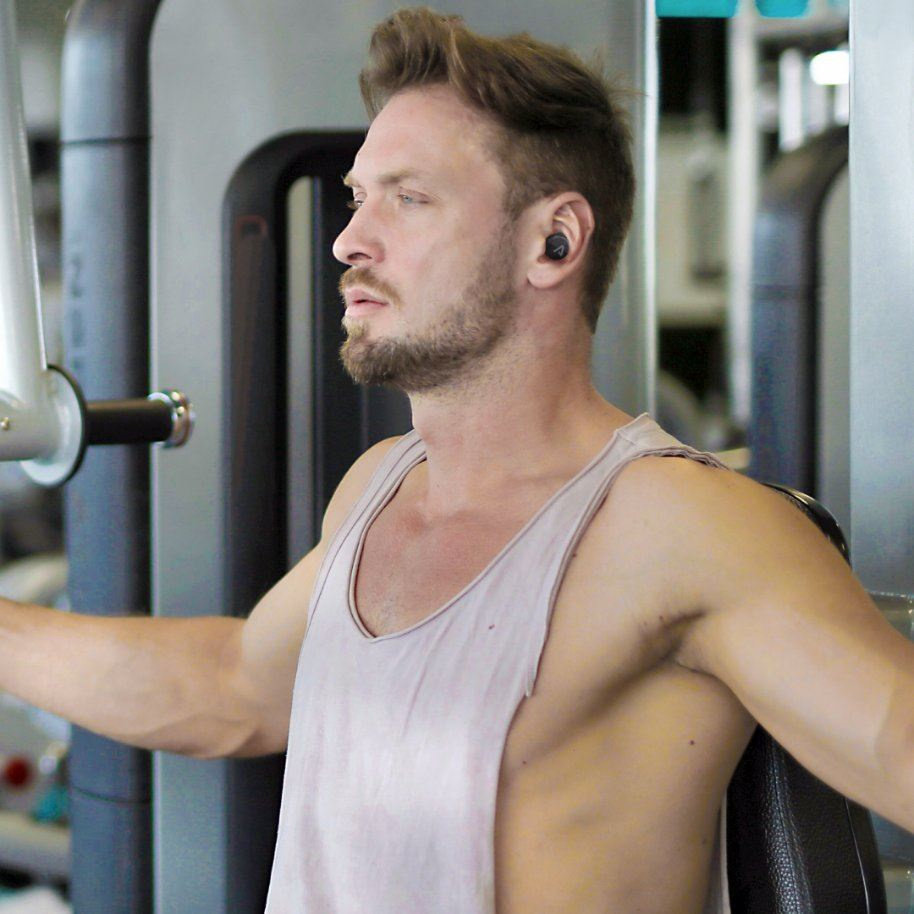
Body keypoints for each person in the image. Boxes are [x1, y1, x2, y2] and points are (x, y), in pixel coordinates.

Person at [1, 7, 912, 913]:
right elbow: (234, 685)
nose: (348, 240)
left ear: (554, 242)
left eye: (408, 198)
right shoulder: (379, 487)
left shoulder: (678, 524)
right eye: (358, 197)